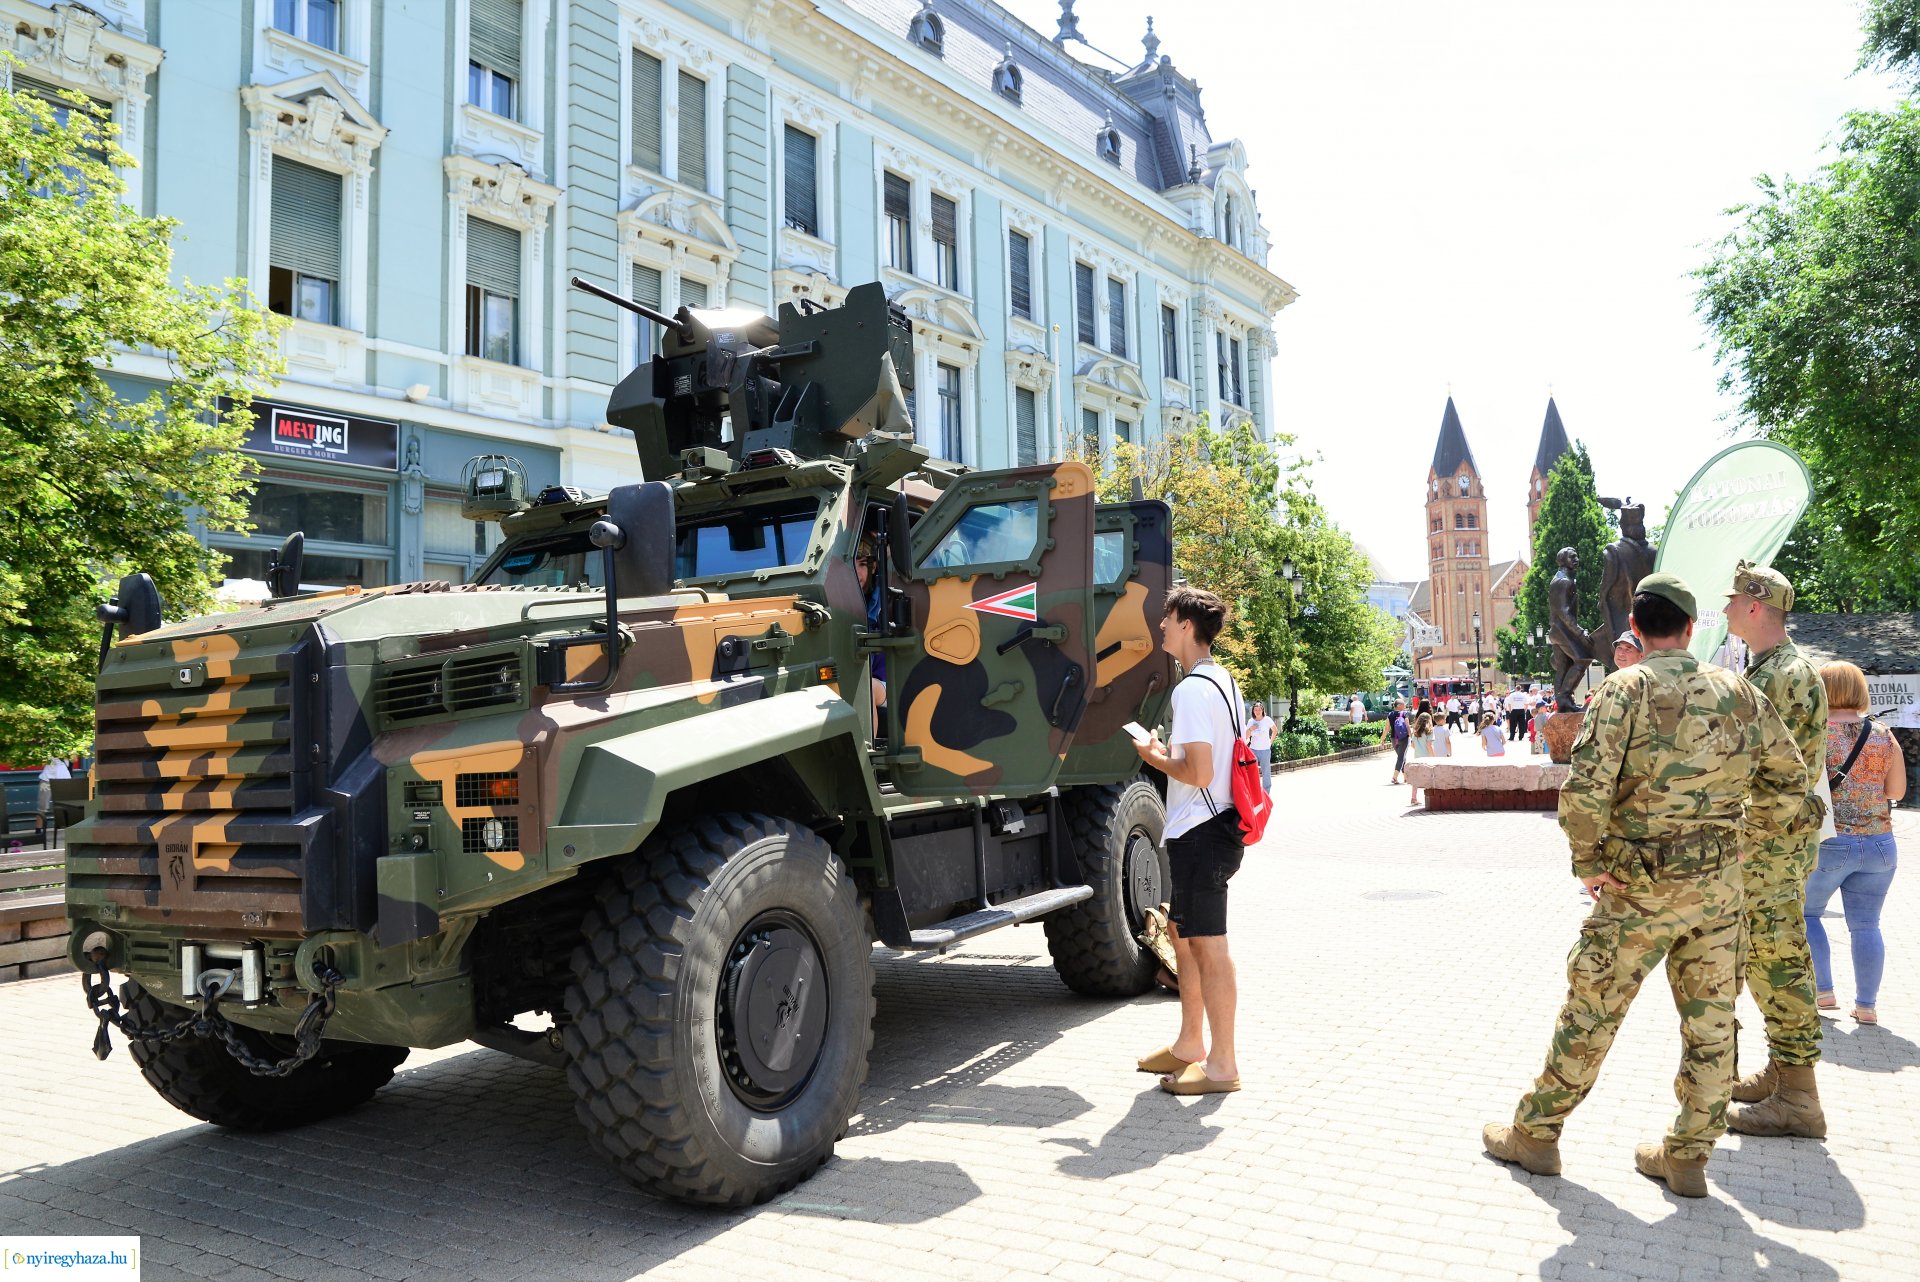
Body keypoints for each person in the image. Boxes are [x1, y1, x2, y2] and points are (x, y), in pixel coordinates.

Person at [1484, 573, 1806, 1197]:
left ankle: (1537, 1135)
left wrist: (1586, 861)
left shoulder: (1622, 689)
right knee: (1713, 1022)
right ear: (1690, 628)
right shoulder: (1737, 690)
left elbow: (1586, 788)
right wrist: (1748, 836)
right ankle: (1688, 1156)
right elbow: (1791, 776)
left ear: (1635, 627)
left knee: (1593, 1008)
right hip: (1718, 888)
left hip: (1638, 886)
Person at [1721, 560, 1830, 1140]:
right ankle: (1785, 1073)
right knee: (1771, 957)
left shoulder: (1784, 674)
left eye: (1734, 599)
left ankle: (1799, 1099)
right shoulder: (1773, 669)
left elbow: (1774, 773)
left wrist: (1744, 838)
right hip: (1771, 842)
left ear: (1755, 605)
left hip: (1769, 845)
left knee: (1777, 961)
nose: (1726, 608)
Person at [1132, 585, 1243, 1096]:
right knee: (1183, 934)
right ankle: (1189, 1043)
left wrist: (1153, 756)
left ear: (1186, 625)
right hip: (1212, 826)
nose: (1160, 624)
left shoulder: (1191, 689)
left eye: (1167, 616)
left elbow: (1198, 772)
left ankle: (1222, 1065)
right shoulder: (1222, 681)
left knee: (1208, 945)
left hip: (1201, 830)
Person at [1805, 661, 1904, 1025]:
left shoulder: (1814, 734)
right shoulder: (1884, 734)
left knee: (1806, 914)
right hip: (1880, 844)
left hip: (1831, 842)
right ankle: (1866, 1005)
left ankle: (1823, 990)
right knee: (1866, 925)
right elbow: (1897, 791)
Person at [1246, 702, 1277, 793]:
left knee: (1266, 772)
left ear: (1262, 710)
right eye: (1255, 710)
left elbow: (1275, 730)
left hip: (1265, 750)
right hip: (1253, 750)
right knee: (1252, 772)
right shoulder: (1251, 721)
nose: (1257, 711)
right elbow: (1246, 736)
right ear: (1253, 711)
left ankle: (1266, 793)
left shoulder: (1267, 719)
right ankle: (1254, 792)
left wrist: (1270, 742)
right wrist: (1251, 729)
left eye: (1259, 709)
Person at [1408, 710, 1434, 804]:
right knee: (1429, 777)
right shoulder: (1429, 731)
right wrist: (1433, 756)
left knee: (1416, 778)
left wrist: (1419, 749)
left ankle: (1413, 797)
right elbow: (1429, 745)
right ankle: (1430, 797)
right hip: (1427, 757)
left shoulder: (1415, 732)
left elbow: (1412, 745)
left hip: (1417, 756)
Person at [1388, 699, 1410, 785]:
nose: (1405, 705)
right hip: (1404, 738)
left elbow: (1386, 728)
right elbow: (1407, 726)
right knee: (1401, 757)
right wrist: (1411, 737)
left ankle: (1406, 777)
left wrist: (1382, 739)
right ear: (1399, 705)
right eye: (1403, 704)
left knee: (1402, 757)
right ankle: (1394, 777)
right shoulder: (1404, 714)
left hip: (1394, 738)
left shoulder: (1390, 714)